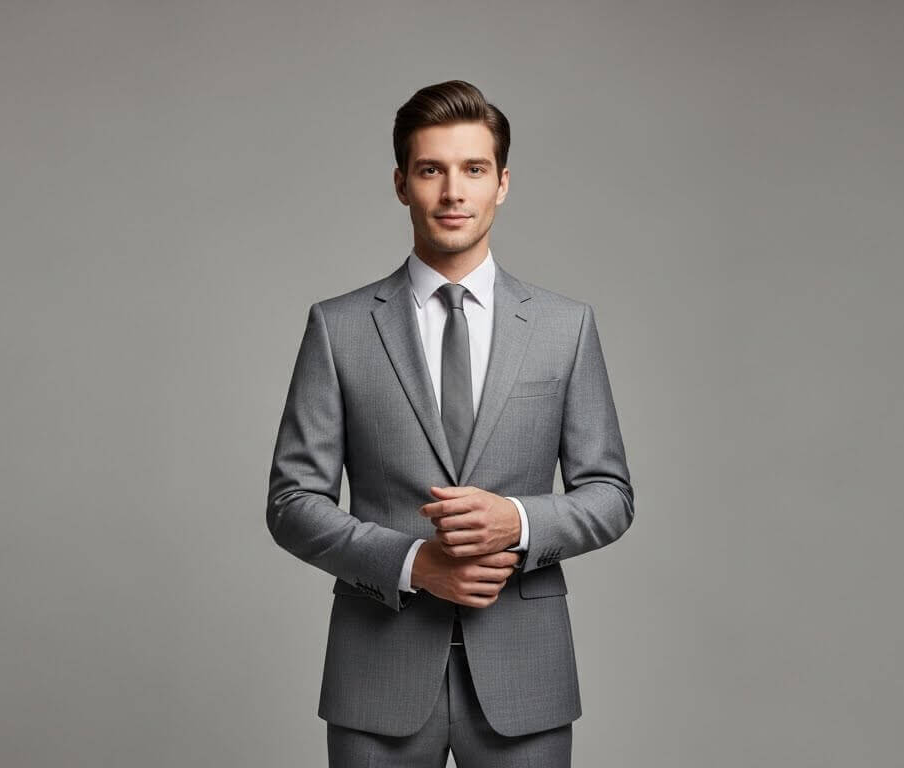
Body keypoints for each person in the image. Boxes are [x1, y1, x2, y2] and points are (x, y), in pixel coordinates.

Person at [266, 79, 634, 767]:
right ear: (402, 183)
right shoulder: (338, 328)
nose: (453, 192)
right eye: (432, 170)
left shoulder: (564, 327)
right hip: (376, 672)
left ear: (502, 183)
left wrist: (517, 523)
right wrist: (412, 564)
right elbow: (291, 504)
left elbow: (611, 495)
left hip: (526, 679)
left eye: (473, 170)